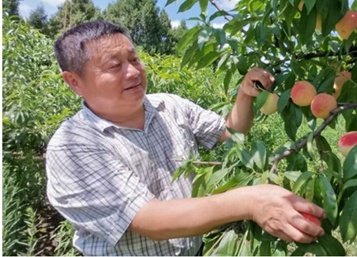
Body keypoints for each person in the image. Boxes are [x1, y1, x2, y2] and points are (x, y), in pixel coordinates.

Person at [46, 21, 325, 256]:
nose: (133, 72)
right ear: (74, 81)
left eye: (133, 59)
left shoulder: (170, 105)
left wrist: (244, 94)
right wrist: (250, 202)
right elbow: (149, 219)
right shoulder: (72, 146)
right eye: (113, 66)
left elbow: (231, 133)